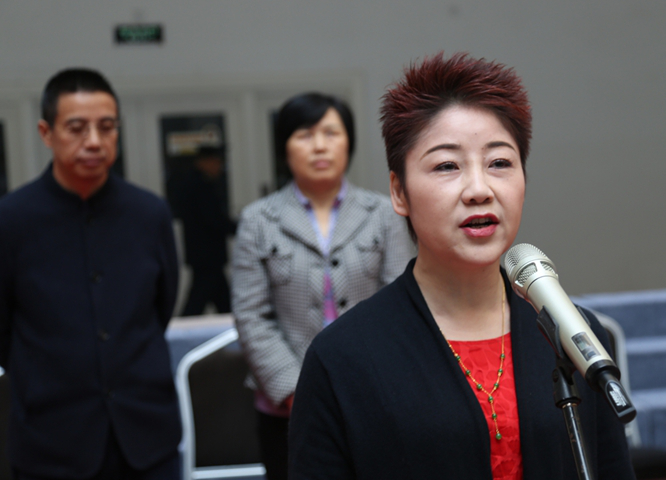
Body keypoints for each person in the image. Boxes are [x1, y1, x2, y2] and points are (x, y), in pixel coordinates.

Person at [288, 53, 636, 479]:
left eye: (499, 163)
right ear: (399, 192)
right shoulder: (342, 356)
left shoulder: (573, 335)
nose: (479, 189)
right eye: (447, 166)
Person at [0, 68, 181, 479]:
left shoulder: (148, 213)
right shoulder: (11, 219)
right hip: (51, 439)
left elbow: (161, 307)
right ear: (46, 133)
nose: (95, 141)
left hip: (146, 436)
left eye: (107, 127)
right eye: (77, 128)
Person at [231, 92, 412, 480]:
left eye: (331, 133)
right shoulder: (258, 220)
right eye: (304, 134)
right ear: (284, 147)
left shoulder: (384, 214)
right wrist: (297, 391)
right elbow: (250, 315)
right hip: (284, 407)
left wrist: (368, 384)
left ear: (349, 142)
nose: (319, 146)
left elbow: (401, 303)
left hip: (372, 393)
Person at [176, 146, 237, 316]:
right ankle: (184, 328)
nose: (219, 167)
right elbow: (213, 219)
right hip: (206, 255)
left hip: (205, 256)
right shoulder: (200, 186)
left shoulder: (196, 183)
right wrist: (238, 228)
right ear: (204, 162)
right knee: (199, 300)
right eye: (216, 162)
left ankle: (233, 323)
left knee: (219, 299)